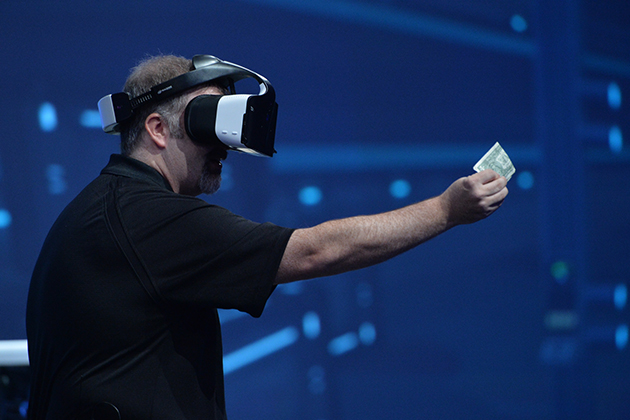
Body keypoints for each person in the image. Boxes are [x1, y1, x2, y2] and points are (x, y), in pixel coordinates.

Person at [26, 54, 508, 420]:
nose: (223, 148)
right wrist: (446, 210)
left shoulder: (105, 209)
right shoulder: (145, 216)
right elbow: (315, 250)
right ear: (156, 129)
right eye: (206, 122)